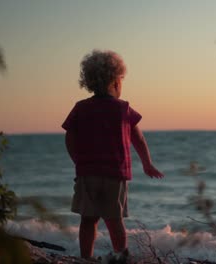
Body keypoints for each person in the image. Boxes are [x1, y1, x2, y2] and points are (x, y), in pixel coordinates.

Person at [62, 50, 164, 259]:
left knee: (88, 219)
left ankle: (86, 258)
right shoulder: (123, 109)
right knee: (114, 219)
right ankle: (121, 256)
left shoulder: (80, 108)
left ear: (89, 82)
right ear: (116, 82)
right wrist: (147, 163)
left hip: (87, 173)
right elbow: (139, 139)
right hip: (115, 175)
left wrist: (78, 161)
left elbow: (69, 137)